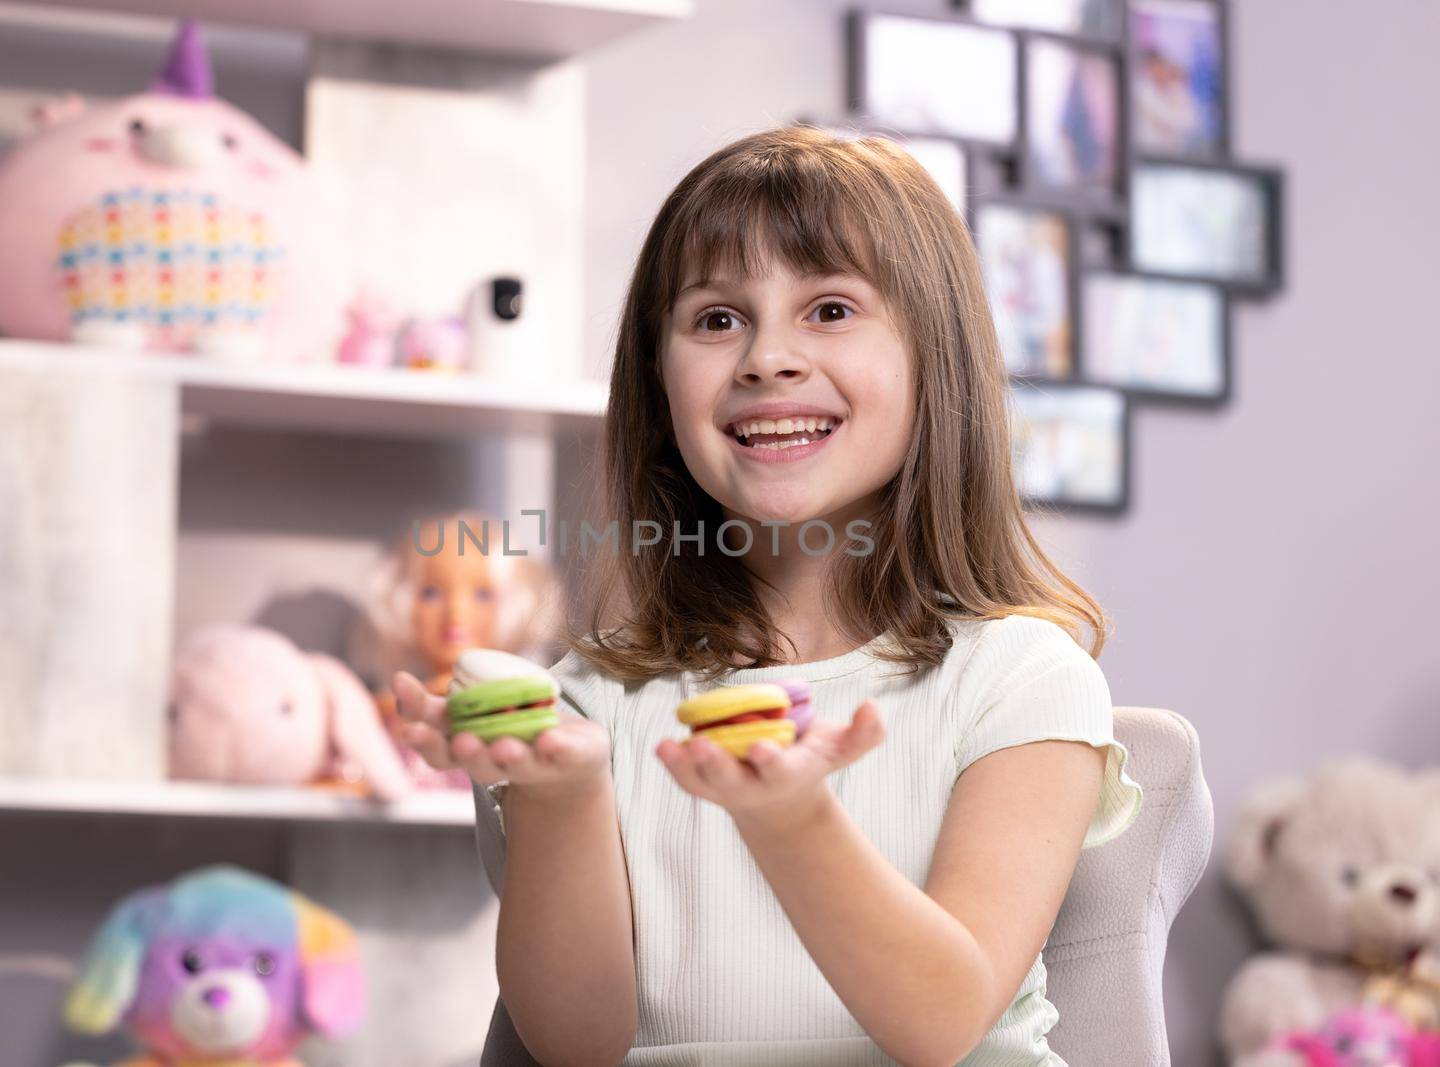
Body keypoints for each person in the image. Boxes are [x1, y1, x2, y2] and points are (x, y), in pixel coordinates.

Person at [392, 124, 1145, 1066]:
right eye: (716, 319)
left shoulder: (1023, 677)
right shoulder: (591, 704)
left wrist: (790, 816)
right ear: (658, 379)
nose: (766, 358)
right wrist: (563, 792)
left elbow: (941, 1021)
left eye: (830, 309)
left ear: (934, 356)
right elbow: (574, 1047)